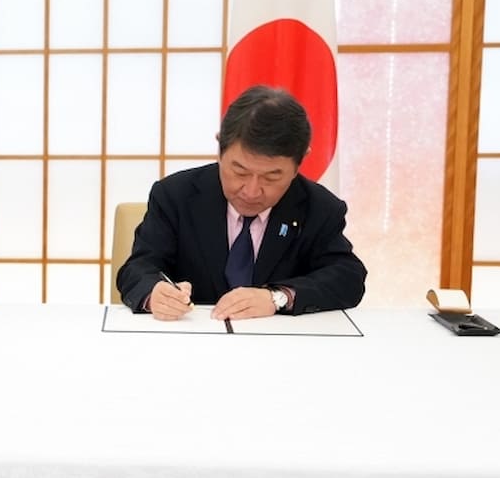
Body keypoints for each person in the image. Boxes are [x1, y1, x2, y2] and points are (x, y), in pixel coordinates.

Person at [116, 85, 366, 320]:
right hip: (192, 337)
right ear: (220, 148)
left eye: (271, 177)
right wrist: (155, 293)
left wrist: (278, 297)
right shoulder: (175, 195)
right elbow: (138, 268)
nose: (251, 191)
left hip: (280, 343)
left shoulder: (319, 207)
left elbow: (348, 277)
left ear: (300, 162)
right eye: (240, 171)